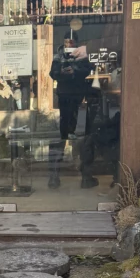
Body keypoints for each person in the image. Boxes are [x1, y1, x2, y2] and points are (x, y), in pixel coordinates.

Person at [48, 42, 97, 188]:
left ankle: (85, 176)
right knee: (66, 135)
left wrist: (72, 71)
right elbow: (53, 73)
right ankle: (55, 177)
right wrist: (66, 73)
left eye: (71, 42)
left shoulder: (79, 54)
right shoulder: (59, 55)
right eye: (66, 41)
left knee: (83, 135)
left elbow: (88, 69)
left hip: (77, 99)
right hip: (69, 99)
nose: (68, 44)